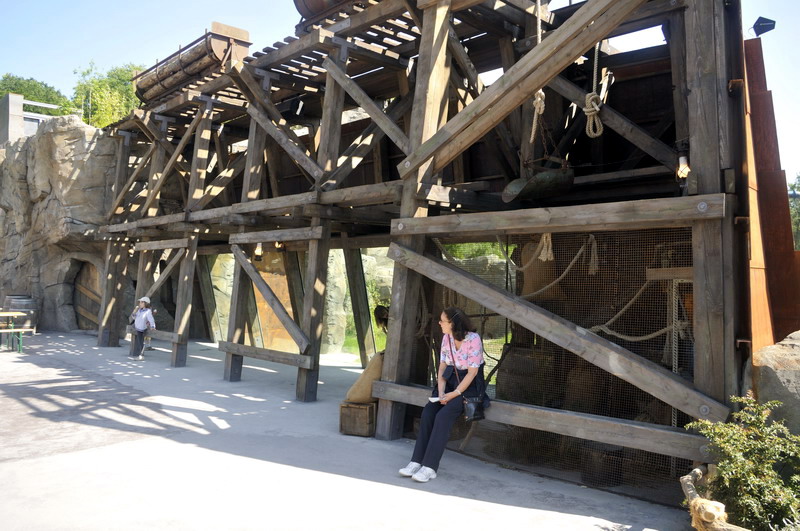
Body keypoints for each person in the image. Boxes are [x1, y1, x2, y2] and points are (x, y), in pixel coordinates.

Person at [399, 307, 485, 483]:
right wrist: (441, 391)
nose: (439, 323)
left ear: (453, 323)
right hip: (448, 382)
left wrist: (454, 394)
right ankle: (416, 461)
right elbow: (442, 367)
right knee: (429, 412)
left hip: (468, 387)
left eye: (442, 321)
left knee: (443, 416)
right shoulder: (446, 338)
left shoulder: (473, 339)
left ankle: (430, 467)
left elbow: (472, 373)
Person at [129, 296, 156, 361]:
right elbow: (134, 317)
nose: (140, 304)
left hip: (142, 328)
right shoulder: (139, 310)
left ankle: (141, 355)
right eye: (140, 302)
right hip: (138, 327)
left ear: (145, 303)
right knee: (140, 342)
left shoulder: (148, 311)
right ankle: (141, 355)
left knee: (142, 342)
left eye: (141, 302)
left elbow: (151, 319)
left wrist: (153, 326)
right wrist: (134, 312)